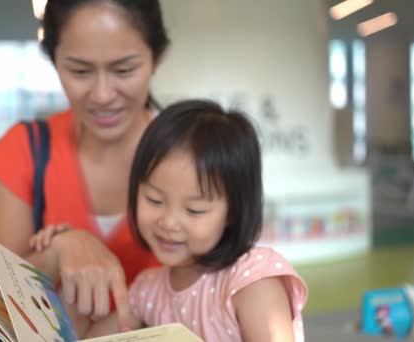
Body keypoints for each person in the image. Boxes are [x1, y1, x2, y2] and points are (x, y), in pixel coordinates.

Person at [0, 0, 170, 340]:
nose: (103, 95)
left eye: (124, 70)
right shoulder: (27, 149)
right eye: (79, 71)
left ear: (156, 59)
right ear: (54, 61)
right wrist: (57, 251)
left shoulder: (192, 156)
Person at [32, 100, 309, 341]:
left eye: (194, 210)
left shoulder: (250, 279)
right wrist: (59, 249)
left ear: (233, 213)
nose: (169, 222)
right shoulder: (147, 292)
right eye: (154, 200)